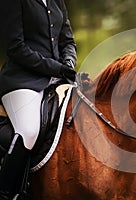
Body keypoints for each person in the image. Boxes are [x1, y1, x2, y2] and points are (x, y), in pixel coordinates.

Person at [0, 0, 77, 199]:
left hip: (59, 79)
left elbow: (67, 41)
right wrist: (56, 67)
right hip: (23, 80)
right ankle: (6, 192)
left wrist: (68, 61)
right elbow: (16, 48)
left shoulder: (56, 1)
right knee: (28, 130)